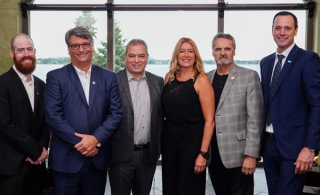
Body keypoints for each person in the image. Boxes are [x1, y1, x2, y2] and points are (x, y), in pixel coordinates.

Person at [43, 26, 123, 195]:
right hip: (66, 162)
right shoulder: (55, 77)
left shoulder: (109, 77)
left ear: (92, 46)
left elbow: (115, 113)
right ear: (68, 49)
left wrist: (95, 139)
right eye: (75, 45)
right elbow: (53, 115)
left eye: (85, 44)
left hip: (97, 159)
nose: (81, 49)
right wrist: (83, 144)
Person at [260, 11, 320, 194]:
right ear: (272, 31)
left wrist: (310, 147)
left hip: (295, 147)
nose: (282, 32)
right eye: (278, 28)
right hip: (269, 146)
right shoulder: (266, 62)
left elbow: (317, 105)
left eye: (287, 28)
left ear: (296, 30)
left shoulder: (307, 59)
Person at [207, 32, 263, 195]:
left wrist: (251, 155)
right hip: (214, 155)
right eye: (218, 49)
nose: (222, 52)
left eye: (227, 49)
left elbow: (255, 119)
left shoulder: (249, 76)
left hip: (239, 156)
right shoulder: (206, 78)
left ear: (234, 51)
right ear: (212, 52)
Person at [109, 39, 164, 195]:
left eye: (141, 56)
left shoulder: (157, 82)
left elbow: (159, 118)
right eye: (132, 56)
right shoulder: (113, 80)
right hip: (119, 156)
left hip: (148, 155)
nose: (136, 60)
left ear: (147, 57)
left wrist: (157, 149)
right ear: (125, 57)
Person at [161, 37, 215, 195]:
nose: (186, 55)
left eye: (190, 51)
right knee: (170, 187)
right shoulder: (168, 77)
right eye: (182, 51)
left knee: (189, 188)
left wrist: (203, 154)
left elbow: (210, 121)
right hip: (170, 140)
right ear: (176, 55)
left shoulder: (202, 80)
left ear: (196, 55)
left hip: (192, 142)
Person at [0, 33, 50, 195]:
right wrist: (34, 151)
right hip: (12, 168)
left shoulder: (42, 85)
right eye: (20, 50)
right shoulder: (2, 84)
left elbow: (44, 122)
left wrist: (41, 149)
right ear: (12, 54)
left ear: (35, 52)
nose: (26, 54)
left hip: (37, 167)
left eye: (29, 49)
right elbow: (5, 125)